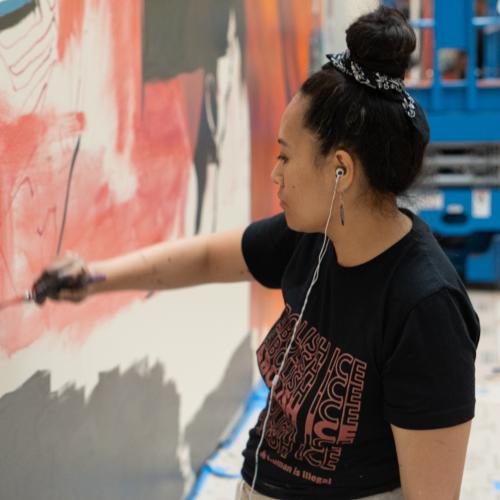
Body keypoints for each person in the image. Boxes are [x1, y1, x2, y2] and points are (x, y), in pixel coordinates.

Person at [33, 6, 480, 500]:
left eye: (286, 155)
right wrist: (92, 278)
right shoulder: (316, 236)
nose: (276, 174)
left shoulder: (425, 308)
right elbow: (205, 259)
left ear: (341, 172)